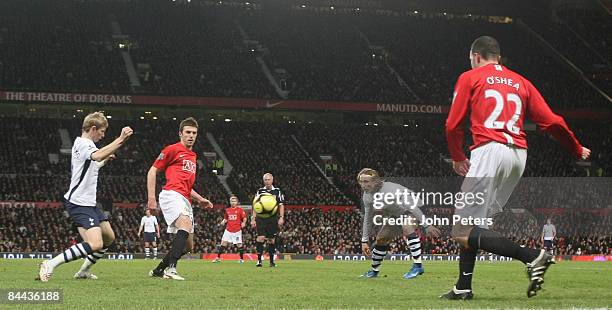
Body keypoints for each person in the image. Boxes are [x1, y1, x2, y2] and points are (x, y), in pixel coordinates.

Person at [442, 36, 591, 299]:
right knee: (472, 224)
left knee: (461, 230)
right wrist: (577, 148)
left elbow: (452, 125)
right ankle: (463, 287)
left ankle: (533, 256)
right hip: (518, 156)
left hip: (488, 151)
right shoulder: (521, 81)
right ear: (497, 56)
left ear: (476, 56)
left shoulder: (470, 77)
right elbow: (552, 121)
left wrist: (457, 156)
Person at [38, 112, 133, 282]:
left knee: (109, 238)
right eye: (102, 132)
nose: (103, 135)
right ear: (93, 129)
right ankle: (50, 264)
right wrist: (120, 139)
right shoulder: (84, 143)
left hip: (89, 202)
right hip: (79, 202)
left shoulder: (81, 143)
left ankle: (83, 271)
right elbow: (96, 156)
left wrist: (105, 161)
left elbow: (93, 165)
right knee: (96, 244)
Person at [147, 117, 213, 280]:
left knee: (188, 246)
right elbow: (152, 171)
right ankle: (171, 269)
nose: (191, 135)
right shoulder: (172, 149)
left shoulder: (193, 156)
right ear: (180, 134)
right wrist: (151, 198)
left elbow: (187, 187)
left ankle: (159, 270)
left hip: (185, 198)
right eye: (188, 132)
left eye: (194, 133)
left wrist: (200, 199)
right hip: (171, 194)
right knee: (185, 224)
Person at [357, 168, 440, 279]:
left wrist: (426, 225)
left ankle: (418, 266)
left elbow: (412, 207)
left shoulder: (390, 190)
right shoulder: (367, 196)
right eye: (361, 181)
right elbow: (367, 219)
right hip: (396, 214)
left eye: (366, 181)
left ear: (375, 181)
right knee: (381, 238)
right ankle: (374, 270)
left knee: (407, 226)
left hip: (416, 208)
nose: (363, 185)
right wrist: (364, 240)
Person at [251, 173, 285, 267]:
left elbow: (281, 205)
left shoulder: (277, 191)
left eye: (268, 179)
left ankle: (271, 261)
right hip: (261, 218)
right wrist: (253, 219)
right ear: (263, 181)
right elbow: (255, 205)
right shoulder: (260, 191)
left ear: (272, 180)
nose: (267, 181)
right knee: (260, 237)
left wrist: (281, 217)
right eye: (265, 180)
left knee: (271, 240)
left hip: (272, 218)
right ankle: (259, 261)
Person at [213, 195, 247, 263]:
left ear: (237, 202)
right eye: (232, 201)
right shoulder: (227, 210)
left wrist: (244, 222)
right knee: (223, 243)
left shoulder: (240, 210)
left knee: (239, 244)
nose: (233, 202)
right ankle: (218, 257)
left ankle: (241, 259)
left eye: (234, 201)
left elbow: (244, 218)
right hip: (228, 230)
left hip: (237, 230)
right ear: (230, 202)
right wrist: (223, 221)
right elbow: (226, 218)